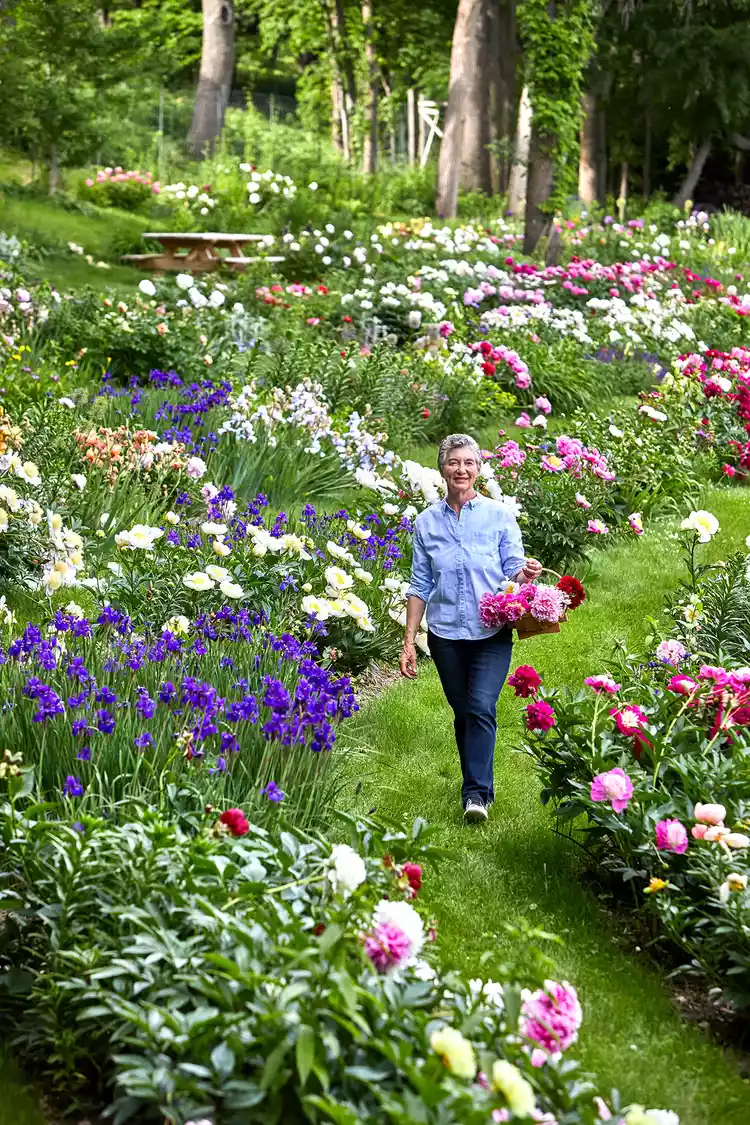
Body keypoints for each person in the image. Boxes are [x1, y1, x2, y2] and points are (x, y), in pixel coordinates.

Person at [399, 433, 542, 823]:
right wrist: (409, 641)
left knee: (481, 706)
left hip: (491, 631)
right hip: (445, 634)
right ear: (442, 468)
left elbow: (514, 571)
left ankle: (475, 794)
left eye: (469, 463)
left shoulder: (499, 516)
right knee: (463, 712)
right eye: (453, 463)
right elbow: (419, 584)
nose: (461, 470)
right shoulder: (426, 523)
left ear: (478, 469)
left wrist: (526, 574)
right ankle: (478, 785)